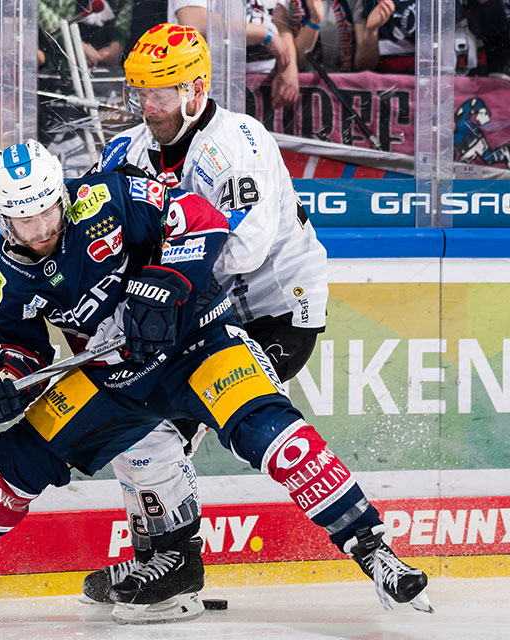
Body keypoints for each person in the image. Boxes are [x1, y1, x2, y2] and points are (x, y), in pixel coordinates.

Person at [0, 138, 432, 626]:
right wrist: (4, 381)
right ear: (3, 219)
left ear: (61, 195)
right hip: (115, 373)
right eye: (26, 222)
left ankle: (372, 548)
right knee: (23, 453)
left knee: (273, 433)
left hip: (202, 342)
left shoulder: (107, 198)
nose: (44, 228)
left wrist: (165, 285)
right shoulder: (3, 279)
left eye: (49, 211)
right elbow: (20, 347)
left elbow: (199, 217)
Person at [83, 20, 331, 607]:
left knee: (161, 420)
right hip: (197, 312)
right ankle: (156, 559)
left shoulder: (239, 143)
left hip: (275, 312)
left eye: (160, 94)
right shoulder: (128, 149)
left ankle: (177, 565)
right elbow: (96, 230)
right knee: (135, 425)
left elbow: (239, 250)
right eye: (139, 92)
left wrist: (157, 253)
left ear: (196, 90)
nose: (147, 106)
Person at [170, 0, 300, 109]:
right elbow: (195, 20)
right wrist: (266, 34)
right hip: (212, 87)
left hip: (264, 89)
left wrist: (290, 66)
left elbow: (281, 26)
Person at [276, 0, 394, 73]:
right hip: (299, 89)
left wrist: (371, 30)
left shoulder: (355, 2)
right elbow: (293, 64)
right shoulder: (285, 3)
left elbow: (364, 66)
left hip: (343, 90)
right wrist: (314, 21)